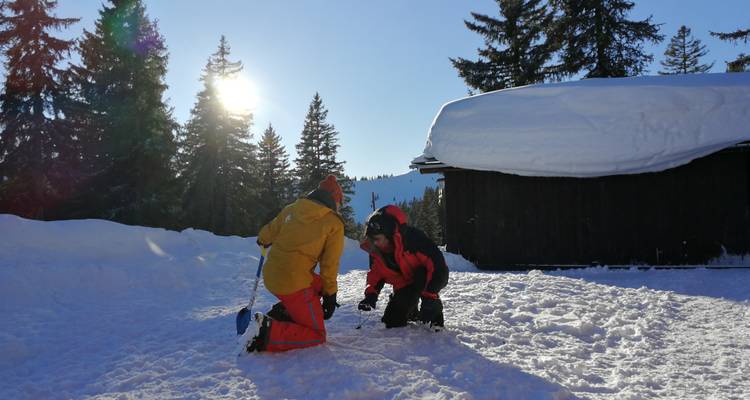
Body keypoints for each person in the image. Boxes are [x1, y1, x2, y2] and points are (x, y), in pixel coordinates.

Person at [247, 175, 345, 352]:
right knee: (317, 335)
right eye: (339, 203)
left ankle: (286, 312)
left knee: (318, 284)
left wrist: (263, 239)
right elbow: (329, 265)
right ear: (335, 199)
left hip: (271, 276)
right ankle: (265, 334)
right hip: (293, 284)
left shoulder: (291, 209)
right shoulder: (333, 223)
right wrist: (331, 296)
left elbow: (265, 235)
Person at [358, 205, 449, 329]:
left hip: (425, 281)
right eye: (372, 239)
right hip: (404, 285)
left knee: (422, 280)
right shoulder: (377, 251)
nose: (374, 243)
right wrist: (370, 296)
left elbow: (439, 268)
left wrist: (430, 296)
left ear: (389, 234)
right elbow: (375, 273)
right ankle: (411, 311)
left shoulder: (414, 239)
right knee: (392, 321)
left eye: (377, 239)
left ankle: (435, 314)